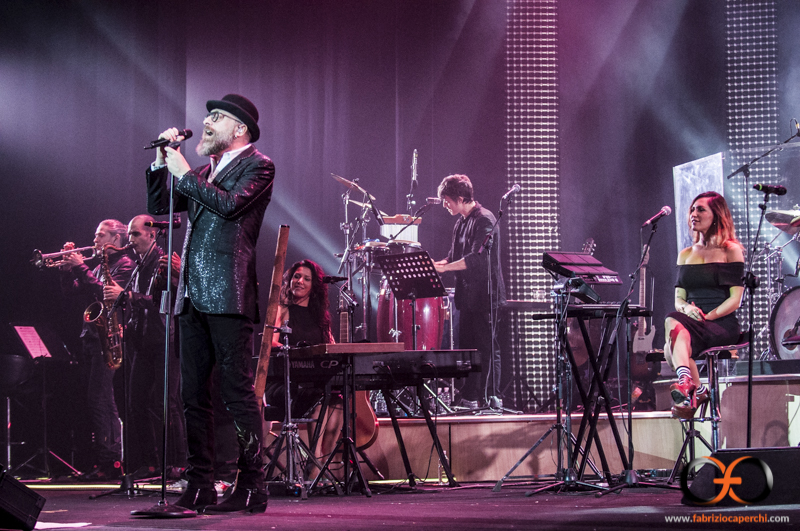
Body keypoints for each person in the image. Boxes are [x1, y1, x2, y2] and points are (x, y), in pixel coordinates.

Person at [146, 94, 274, 513]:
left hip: (228, 293)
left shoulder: (259, 166)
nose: (205, 122)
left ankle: (252, 484)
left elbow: (229, 207)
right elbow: (160, 208)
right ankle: (199, 484)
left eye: (216, 117)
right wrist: (160, 164)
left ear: (239, 129)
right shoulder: (204, 171)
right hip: (191, 294)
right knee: (191, 394)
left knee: (236, 392)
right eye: (208, 115)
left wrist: (183, 172)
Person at [103, 215, 185, 480]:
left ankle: (178, 463)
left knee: (165, 403)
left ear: (151, 234)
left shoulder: (162, 261)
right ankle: (150, 463)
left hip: (164, 340)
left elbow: (160, 301)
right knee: (135, 403)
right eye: (129, 234)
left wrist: (126, 295)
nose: (130, 239)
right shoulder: (138, 264)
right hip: (142, 341)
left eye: (135, 234)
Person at [59, 219, 136, 480]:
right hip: (92, 336)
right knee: (97, 399)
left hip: (109, 338)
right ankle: (107, 459)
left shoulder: (125, 264)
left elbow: (107, 294)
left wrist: (80, 267)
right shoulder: (101, 266)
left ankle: (111, 461)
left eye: (100, 235)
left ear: (116, 238)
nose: (94, 240)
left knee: (101, 399)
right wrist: (67, 270)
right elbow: (71, 292)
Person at [664, 191, 745, 419]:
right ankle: (690, 385)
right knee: (673, 321)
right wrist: (688, 309)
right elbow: (678, 299)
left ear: (716, 215)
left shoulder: (730, 250)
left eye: (701, 209)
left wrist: (707, 317)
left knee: (670, 347)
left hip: (720, 322)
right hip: (691, 322)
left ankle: (696, 390)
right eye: (692, 209)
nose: (694, 214)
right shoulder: (685, 254)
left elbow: (735, 299)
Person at [433, 174, 506, 410]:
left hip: (485, 297)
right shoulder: (460, 223)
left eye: (447, 200)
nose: (445, 205)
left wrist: (445, 268)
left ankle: (491, 398)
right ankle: (471, 397)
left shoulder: (485, 220)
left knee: (487, 348)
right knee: (468, 350)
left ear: (460, 198)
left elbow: (476, 259)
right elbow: (454, 257)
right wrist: (437, 264)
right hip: (467, 299)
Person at [264, 260, 340, 463]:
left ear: (314, 286)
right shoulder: (281, 309)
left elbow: (331, 347)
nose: (300, 281)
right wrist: (293, 351)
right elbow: (270, 341)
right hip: (284, 382)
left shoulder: (321, 317)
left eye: (307, 278)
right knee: (319, 397)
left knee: (338, 400)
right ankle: (314, 462)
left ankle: (325, 460)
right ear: (290, 280)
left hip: (314, 382)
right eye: (296, 276)